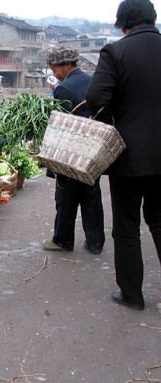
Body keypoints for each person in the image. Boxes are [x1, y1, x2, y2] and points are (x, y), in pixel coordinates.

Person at [86, 0, 161, 310]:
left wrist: (112, 126)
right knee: (160, 220)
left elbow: (96, 98)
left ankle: (132, 294)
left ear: (122, 24)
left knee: (127, 226)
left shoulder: (115, 52)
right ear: (153, 18)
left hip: (128, 157)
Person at [42, 46, 105, 255]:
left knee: (66, 197)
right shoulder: (92, 81)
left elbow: (61, 124)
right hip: (91, 151)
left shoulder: (64, 89)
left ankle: (62, 240)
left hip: (70, 153)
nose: (54, 74)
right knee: (91, 196)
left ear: (66, 65)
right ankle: (95, 243)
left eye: (54, 69)